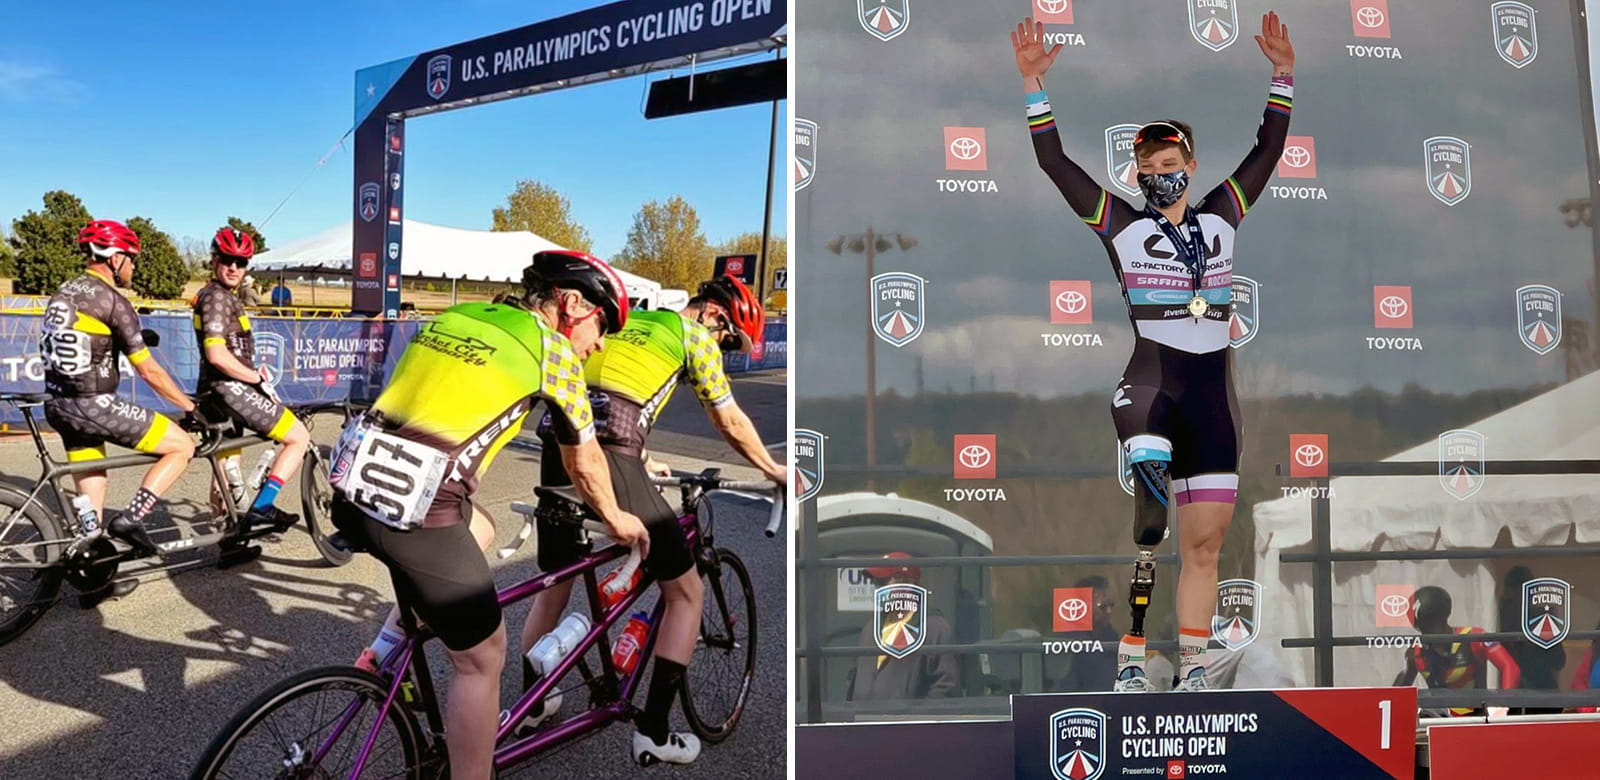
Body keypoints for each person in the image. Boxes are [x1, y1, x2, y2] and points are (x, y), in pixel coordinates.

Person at [1010, 12, 1295, 692]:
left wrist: (1283, 75)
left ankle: (1192, 669)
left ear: (1190, 167)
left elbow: (1268, 150)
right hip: (1151, 388)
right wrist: (1034, 88)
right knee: (1150, 517)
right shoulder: (1121, 225)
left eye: (1169, 166)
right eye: (1146, 169)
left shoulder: (1224, 213)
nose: (1158, 177)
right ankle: (1132, 658)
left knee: (1206, 546)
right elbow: (1055, 164)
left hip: (1213, 397)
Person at [330, 250, 644, 780]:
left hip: (351, 482)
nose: (601, 343)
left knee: (481, 527)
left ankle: (385, 648)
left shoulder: (456, 316)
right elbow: (584, 460)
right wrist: (617, 518)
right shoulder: (552, 350)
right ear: (571, 304)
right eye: (602, 324)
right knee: (482, 658)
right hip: (417, 507)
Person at [525, 272, 786, 766]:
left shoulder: (629, 321)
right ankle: (654, 732)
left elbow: (600, 392)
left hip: (558, 443)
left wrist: (643, 459)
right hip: (611, 452)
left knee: (557, 577)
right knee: (686, 593)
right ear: (713, 314)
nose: (723, 348)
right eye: (727, 338)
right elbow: (729, 420)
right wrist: (774, 470)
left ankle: (532, 704)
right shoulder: (693, 336)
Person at [39, 220, 200, 565]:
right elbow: (149, 371)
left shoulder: (64, 291)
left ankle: (93, 569)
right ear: (114, 258)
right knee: (182, 446)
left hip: (59, 404)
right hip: (92, 405)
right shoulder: (112, 300)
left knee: (93, 488)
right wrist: (189, 406)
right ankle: (132, 519)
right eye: (132, 258)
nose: (134, 266)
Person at [192, 227, 313, 545]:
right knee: (299, 437)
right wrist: (256, 379)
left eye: (241, 262)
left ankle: (228, 539)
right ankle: (262, 506)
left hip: (214, 391)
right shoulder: (218, 298)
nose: (234, 267)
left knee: (227, 464)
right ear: (214, 260)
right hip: (229, 388)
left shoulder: (213, 294)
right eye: (227, 259)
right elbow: (217, 355)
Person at [845, 553, 958, 701]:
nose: (877, 586)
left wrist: (915, 714)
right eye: (876, 581)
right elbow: (854, 677)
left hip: (906, 716)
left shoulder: (934, 628)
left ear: (906, 582)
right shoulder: (871, 627)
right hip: (863, 715)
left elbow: (945, 686)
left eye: (883, 580)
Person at [1394, 586, 1521, 717]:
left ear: (1443, 618)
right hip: (1437, 718)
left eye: (1432, 625)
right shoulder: (1417, 651)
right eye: (1423, 628)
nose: (1428, 633)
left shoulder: (1473, 638)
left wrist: (1503, 706)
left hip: (1474, 716)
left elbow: (1510, 667)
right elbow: (1396, 693)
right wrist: (1409, 667)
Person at [1496, 566, 1565, 714]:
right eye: (1513, 597)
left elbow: (1559, 661)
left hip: (1542, 694)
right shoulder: (1496, 619)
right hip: (1509, 696)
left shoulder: (1542, 618)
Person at [1051, 576, 1119, 693]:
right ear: (1085, 606)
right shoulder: (1069, 644)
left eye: (1111, 605)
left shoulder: (1111, 637)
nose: (1109, 612)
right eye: (1103, 607)